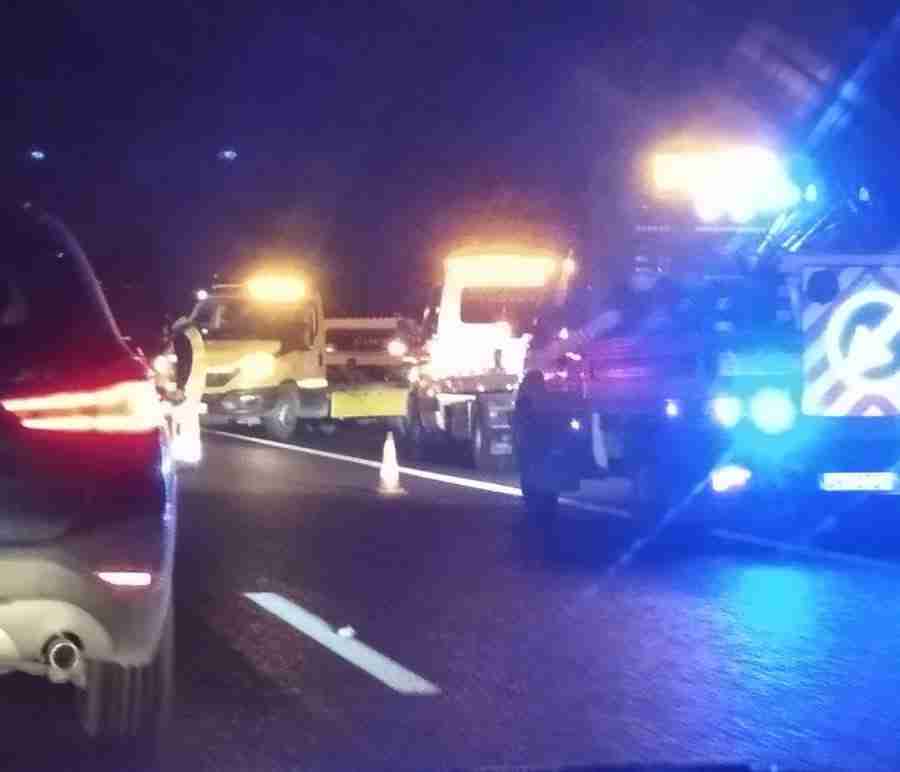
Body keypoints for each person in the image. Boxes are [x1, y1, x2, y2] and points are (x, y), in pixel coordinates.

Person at [167, 317, 206, 464]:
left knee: (183, 420)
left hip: (188, 384)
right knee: (191, 420)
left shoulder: (182, 335)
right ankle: (191, 455)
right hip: (197, 382)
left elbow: (184, 362)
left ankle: (184, 456)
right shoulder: (194, 332)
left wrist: (180, 387)